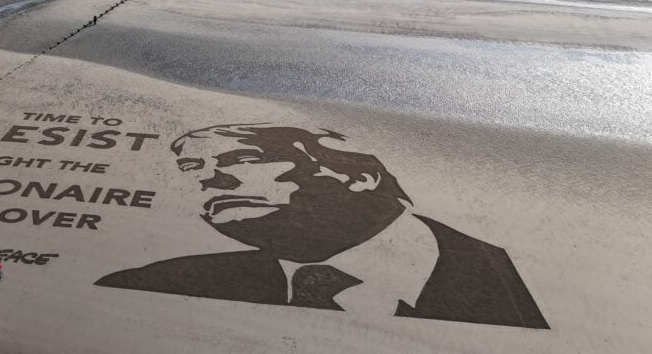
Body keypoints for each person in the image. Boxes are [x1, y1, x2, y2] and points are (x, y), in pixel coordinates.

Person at [95, 123, 548, 329]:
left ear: (358, 175)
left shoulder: (510, 277)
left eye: (244, 160)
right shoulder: (151, 284)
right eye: (192, 168)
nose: (209, 179)